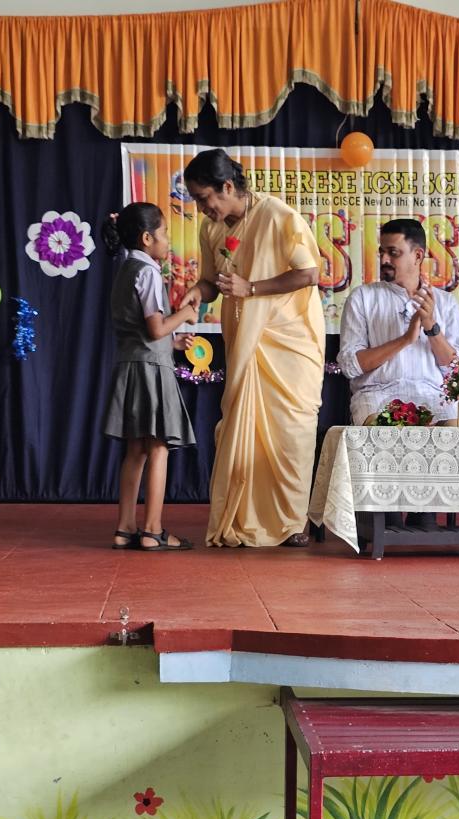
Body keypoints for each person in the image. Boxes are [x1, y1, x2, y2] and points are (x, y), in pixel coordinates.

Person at [181, 149, 324, 548]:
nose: (201, 208)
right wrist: (197, 292)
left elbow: (309, 273)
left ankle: (293, 522)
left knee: (292, 432)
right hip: (245, 341)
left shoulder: (276, 215)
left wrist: (252, 288)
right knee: (244, 431)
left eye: (204, 198)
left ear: (228, 187)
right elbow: (212, 281)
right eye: (196, 200)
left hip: (290, 341)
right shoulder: (210, 228)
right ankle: (244, 518)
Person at [337, 218, 459, 530]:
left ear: (418, 256)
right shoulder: (363, 298)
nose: (384, 259)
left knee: (453, 425)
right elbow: (351, 364)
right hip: (378, 393)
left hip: (431, 394)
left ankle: (424, 510)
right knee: (377, 426)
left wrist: (431, 328)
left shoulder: (445, 303)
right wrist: (406, 339)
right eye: (382, 252)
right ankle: (385, 513)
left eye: (393, 253)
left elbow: (456, 370)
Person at [101, 203, 198, 551]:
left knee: (135, 450)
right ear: (147, 238)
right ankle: (152, 530)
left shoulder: (124, 269)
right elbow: (156, 327)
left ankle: (124, 528)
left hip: (130, 367)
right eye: (165, 233)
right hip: (151, 372)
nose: (167, 240)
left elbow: (142, 332)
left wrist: (172, 343)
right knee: (158, 447)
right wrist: (185, 314)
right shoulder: (149, 272)